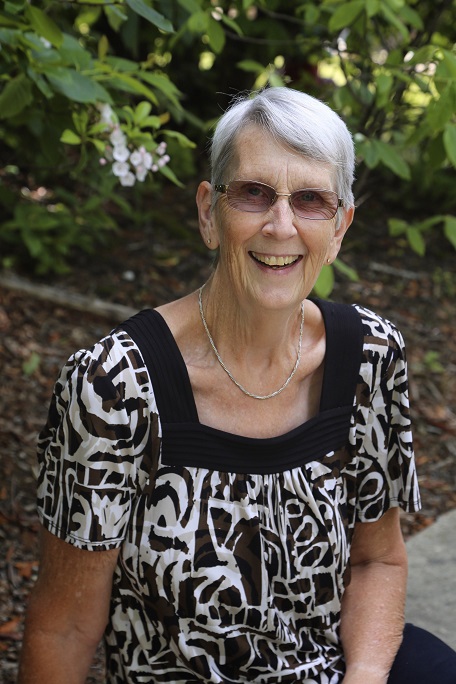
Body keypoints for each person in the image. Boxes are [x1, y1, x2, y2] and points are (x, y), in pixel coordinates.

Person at [18, 87, 456, 684]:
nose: (281, 226)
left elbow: (377, 560)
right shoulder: (113, 387)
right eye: (254, 193)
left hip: (336, 664)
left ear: (340, 227)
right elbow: (64, 627)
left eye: (311, 200)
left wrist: (364, 676)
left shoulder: (369, 356)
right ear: (209, 212)